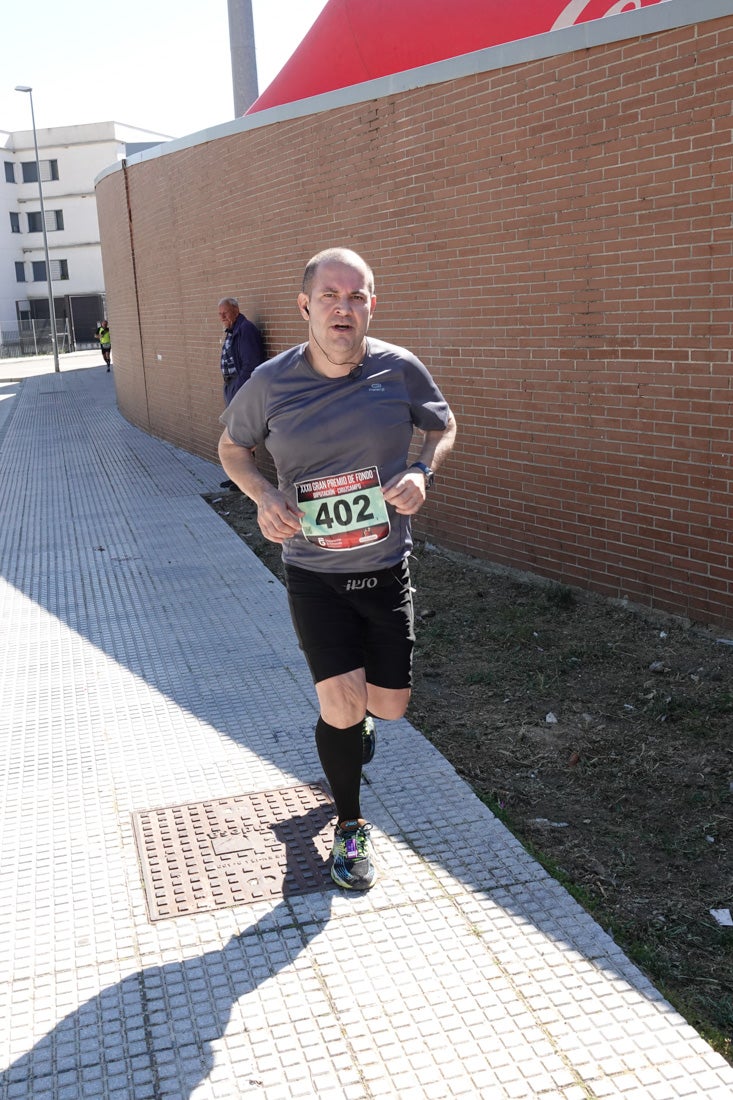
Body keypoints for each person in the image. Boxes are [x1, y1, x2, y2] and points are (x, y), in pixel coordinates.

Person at [218, 247, 457, 891]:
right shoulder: (270, 382)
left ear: (370, 305)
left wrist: (421, 469)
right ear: (306, 307)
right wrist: (265, 496)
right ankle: (350, 828)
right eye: (330, 296)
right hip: (313, 574)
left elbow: (443, 426)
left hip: (384, 569)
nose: (343, 308)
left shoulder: (398, 369)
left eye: (356, 297)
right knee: (342, 704)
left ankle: (354, 729)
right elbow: (232, 447)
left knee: (389, 705)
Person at [218, 296, 266, 489]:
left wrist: (240, 390)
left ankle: (245, 481)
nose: (222, 317)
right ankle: (238, 477)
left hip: (241, 388)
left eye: (225, 313)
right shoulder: (233, 330)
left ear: (236, 311)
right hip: (233, 387)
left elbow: (251, 364)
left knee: (242, 434)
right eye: (219, 314)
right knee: (237, 432)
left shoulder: (245, 330)